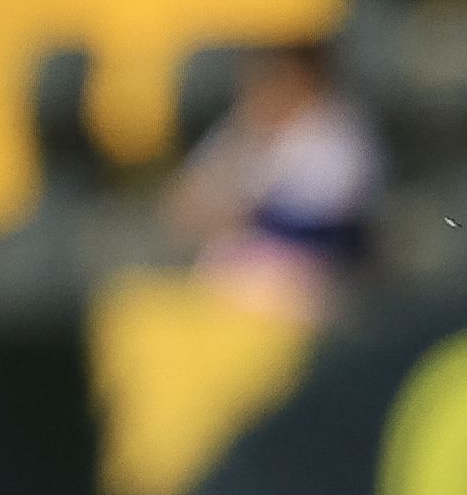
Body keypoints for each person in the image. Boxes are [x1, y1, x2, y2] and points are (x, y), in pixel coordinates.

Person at [161, 38, 380, 323]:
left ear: (306, 75)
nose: (266, 83)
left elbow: (335, 227)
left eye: (279, 73)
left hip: (314, 285)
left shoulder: (337, 134)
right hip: (229, 285)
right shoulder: (241, 130)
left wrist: (247, 214)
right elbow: (181, 207)